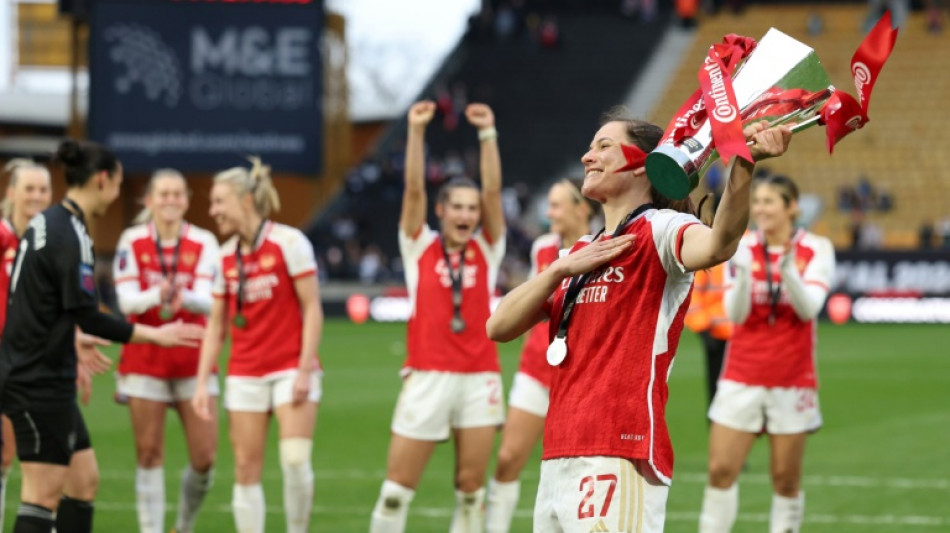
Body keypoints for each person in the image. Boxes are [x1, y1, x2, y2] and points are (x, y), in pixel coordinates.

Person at [487, 109, 793, 532]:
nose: (586, 157)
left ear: (642, 165)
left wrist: (743, 164)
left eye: (603, 146)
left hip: (619, 451)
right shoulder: (576, 254)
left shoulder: (662, 229)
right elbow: (498, 326)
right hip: (559, 454)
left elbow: (720, 244)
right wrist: (559, 270)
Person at [0, 140, 204, 533]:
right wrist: (156, 335)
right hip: (35, 379)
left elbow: (44, 304)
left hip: (42, 371)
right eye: (118, 183)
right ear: (102, 179)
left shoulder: (50, 221)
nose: (117, 194)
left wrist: (70, 337)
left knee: (83, 480)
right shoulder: (70, 234)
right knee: (41, 495)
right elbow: (89, 316)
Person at [370, 100, 505, 533]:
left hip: (479, 376)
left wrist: (487, 135)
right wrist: (414, 132)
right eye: (457, 207)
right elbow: (413, 190)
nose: (467, 214)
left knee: (470, 491)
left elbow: (492, 192)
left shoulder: (488, 247)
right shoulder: (418, 247)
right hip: (428, 376)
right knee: (396, 493)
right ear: (441, 211)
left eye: (472, 208)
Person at [192, 158, 323, 533]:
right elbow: (216, 325)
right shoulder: (223, 256)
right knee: (246, 469)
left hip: (289, 369)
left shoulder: (290, 242)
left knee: (295, 460)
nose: (213, 211)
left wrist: (303, 368)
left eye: (219, 202)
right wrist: (202, 382)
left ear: (245, 200)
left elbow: (312, 307)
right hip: (245, 373)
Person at [698, 175, 835, 533]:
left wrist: (787, 271)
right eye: (756, 201)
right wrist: (742, 277)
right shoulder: (741, 247)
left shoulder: (816, 249)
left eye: (769, 201)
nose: (760, 209)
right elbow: (737, 315)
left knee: (786, 480)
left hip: (791, 379)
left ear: (792, 207)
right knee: (720, 470)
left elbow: (809, 309)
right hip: (741, 375)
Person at [485, 178, 598, 533]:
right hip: (536, 367)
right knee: (507, 458)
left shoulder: (603, 247)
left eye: (557, 205)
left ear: (582, 208)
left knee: (579, 469)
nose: (549, 213)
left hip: (581, 374)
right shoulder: (542, 249)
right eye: (548, 204)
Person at [113, 169, 220, 533]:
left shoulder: (204, 242)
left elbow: (212, 302)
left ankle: (184, 525)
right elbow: (126, 302)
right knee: (148, 453)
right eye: (163, 194)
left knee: (205, 457)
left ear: (188, 200)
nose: (171, 200)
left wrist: (183, 296)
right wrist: (156, 295)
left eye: (177, 194)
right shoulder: (132, 240)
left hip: (193, 358)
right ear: (149, 200)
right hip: (145, 357)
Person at [0, 159, 53, 525]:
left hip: (39, 363)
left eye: (43, 190)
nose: (36, 196)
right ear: (11, 193)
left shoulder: (49, 243)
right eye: (29, 189)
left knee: (46, 460)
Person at [684, 262, 733, 411]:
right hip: (718, 337)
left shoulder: (754, 247)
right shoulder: (714, 252)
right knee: (719, 397)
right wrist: (703, 329)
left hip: (750, 338)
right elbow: (693, 293)